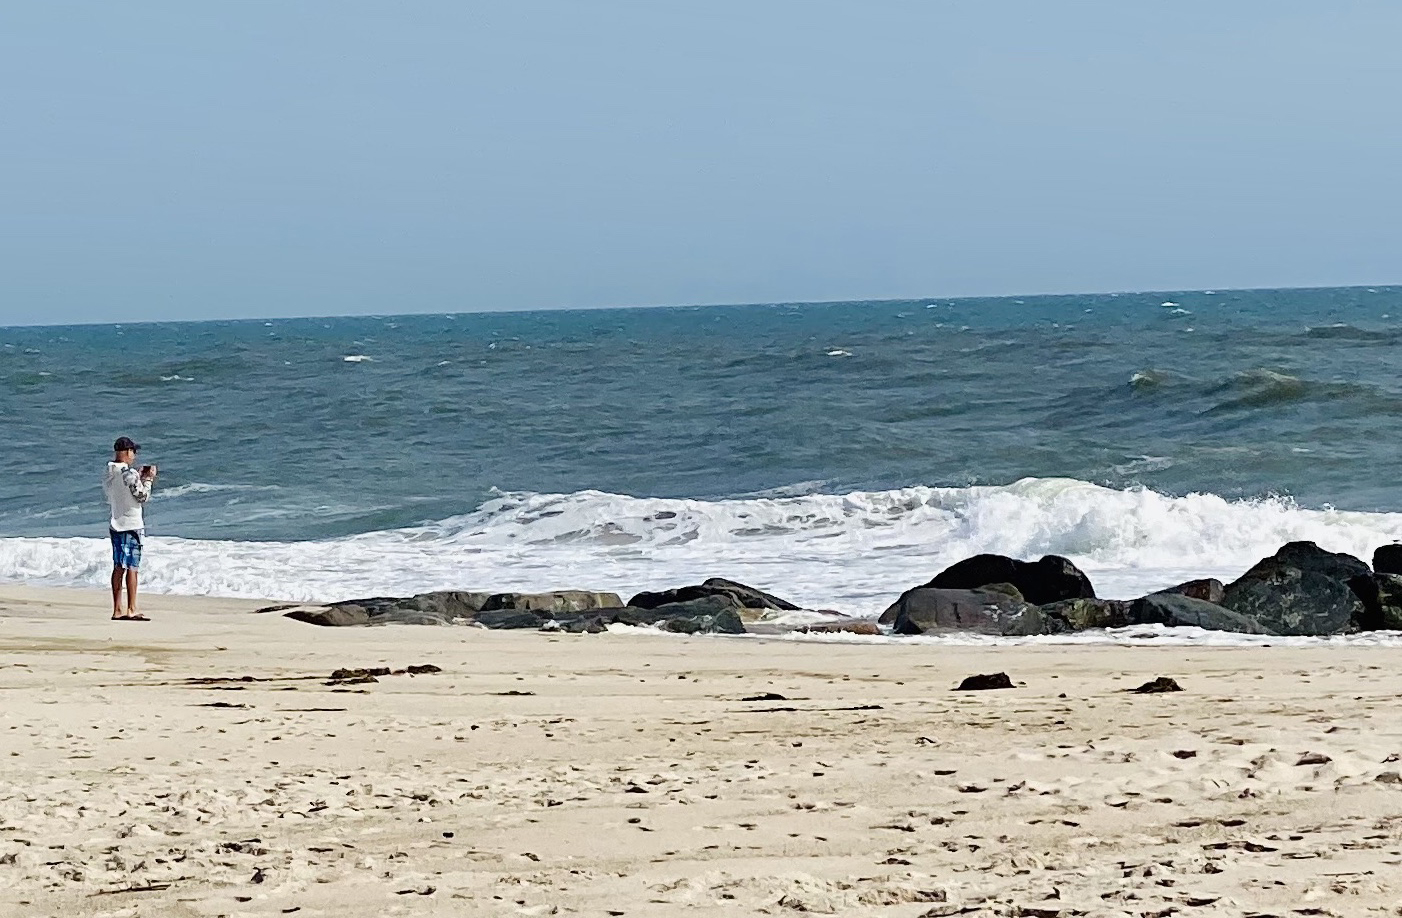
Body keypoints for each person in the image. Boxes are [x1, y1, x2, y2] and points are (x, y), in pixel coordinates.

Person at [103, 436, 157, 621]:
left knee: (118, 567)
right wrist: (148, 480)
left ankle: (117, 609)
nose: (134, 456)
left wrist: (139, 477)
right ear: (127, 452)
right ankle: (131, 608)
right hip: (131, 524)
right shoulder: (129, 473)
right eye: (133, 452)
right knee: (132, 567)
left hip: (115, 522)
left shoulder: (110, 472)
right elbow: (142, 497)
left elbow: (121, 491)